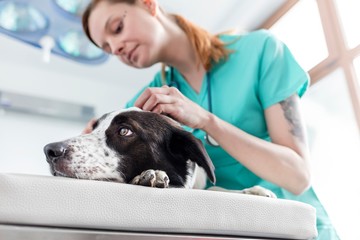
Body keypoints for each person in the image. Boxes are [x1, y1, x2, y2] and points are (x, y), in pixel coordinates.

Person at [82, 0, 339, 238]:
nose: (116, 48)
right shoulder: (144, 108)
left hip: (299, 227)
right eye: (108, 49)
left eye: (116, 28)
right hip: (233, 230)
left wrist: (206, 120)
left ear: (148, 4)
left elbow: (297, 176)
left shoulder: (261, 51)